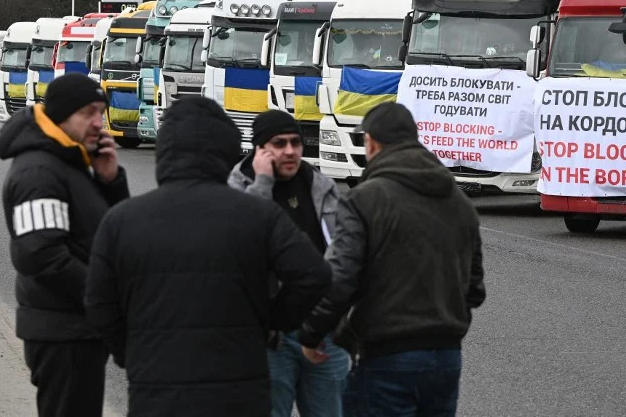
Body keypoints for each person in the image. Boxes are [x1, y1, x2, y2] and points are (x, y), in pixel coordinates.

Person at [84, 96, 332, 417]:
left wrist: (128, 353)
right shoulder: (258, 215)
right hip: (240, 389)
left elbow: (98, 303)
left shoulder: (121, 221)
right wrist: (271, 322)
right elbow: (314, 275)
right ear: (226, 151)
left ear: (165, 150)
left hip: (157, 388)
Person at [297, 101, 486, 417]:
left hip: (387, 354)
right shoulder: (460, 202)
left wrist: (313, 332)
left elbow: (342, 278)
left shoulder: (364, 199)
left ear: (371, 142)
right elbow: (475, 288)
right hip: (447, 355)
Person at [0, 72, 129, 417]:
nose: (99, 123)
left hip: (77, 328)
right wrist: (104, 298)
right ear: (61, 114)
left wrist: (111, 181)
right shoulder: (38, 173)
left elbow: (112, 234)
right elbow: (42, 257)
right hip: (62, 333)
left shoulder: (70, 161)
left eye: (101, 112)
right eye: (88, 112)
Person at [228, 109, 349, 417]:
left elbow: (341, 254)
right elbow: (247, 246)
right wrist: (264, 183)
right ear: (259, 149)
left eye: (295, 142)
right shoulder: (236, 189)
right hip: (270, 340)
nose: (290, 151)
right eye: (279, 143)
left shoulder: (320, 186)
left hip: (323, 332)